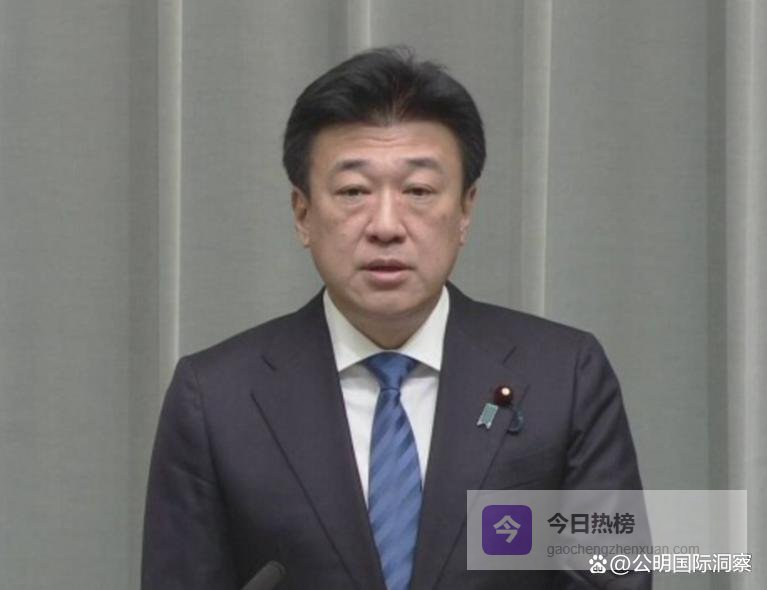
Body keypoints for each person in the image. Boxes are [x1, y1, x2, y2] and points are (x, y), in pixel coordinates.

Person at [142, 46, 648, 589]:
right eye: (353, 192)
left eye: (419, 191)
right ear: (303, 213)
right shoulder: (216, 398)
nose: (386, 225)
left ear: (465, 210)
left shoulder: (564, 376)